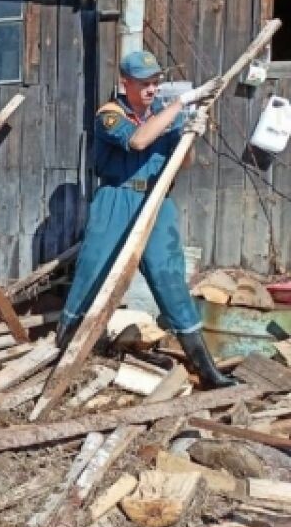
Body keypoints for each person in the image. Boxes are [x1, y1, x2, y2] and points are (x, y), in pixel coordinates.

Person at [56, 49, 234, 387]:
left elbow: (183, 162)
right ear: (126, 84)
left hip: (156, 199)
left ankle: (206, 369)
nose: (152, 90)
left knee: (170, 280)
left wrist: (190, 134)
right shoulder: (110, 115)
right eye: (145, 84)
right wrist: (180, 105)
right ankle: (65, 345)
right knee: (93, 272)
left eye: (156, 83)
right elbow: (138, 141)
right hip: (116, 198)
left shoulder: (163, 116)